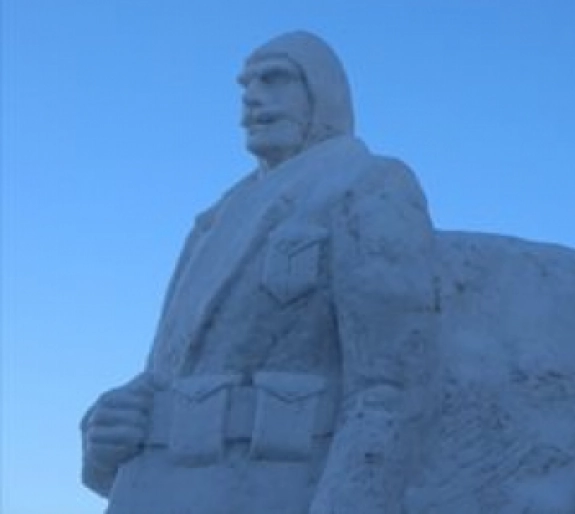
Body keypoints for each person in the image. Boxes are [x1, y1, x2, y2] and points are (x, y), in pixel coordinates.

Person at [78, 31, 440, 514]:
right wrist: (105, 433)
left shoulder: (368, 183)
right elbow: (163, 374)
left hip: (277, 487)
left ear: (322, 93)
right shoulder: (213, 222)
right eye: (246, 85)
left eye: (275, 79)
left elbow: (389, 387)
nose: (252, 96)